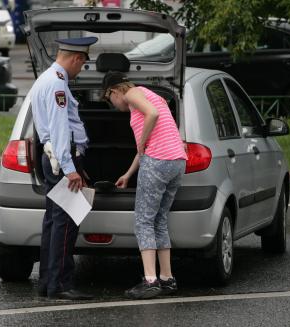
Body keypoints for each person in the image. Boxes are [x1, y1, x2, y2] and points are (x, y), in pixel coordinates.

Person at [102, 71, 188, 299]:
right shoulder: (151, 94)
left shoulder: (131, 93)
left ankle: (150, 281)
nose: (112, 104)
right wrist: (128, 174)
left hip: (158, 161)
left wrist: (141, 143)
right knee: (159, 220)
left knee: (143, 221)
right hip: (177, 162)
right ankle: (167, 279)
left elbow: (152, 116)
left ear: (113, 91)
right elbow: (147, 145)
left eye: (107, 99)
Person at [30, 36, 97, 300]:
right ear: (76, 58)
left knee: (53, 222)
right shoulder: (57, 84)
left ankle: (48, 281)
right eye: (82, 64)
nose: (81, 69)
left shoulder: (45, 78)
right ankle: (61, 284)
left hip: (54, 159)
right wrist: (71, 168)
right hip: (62, 160)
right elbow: (60, 129)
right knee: (65, 225)